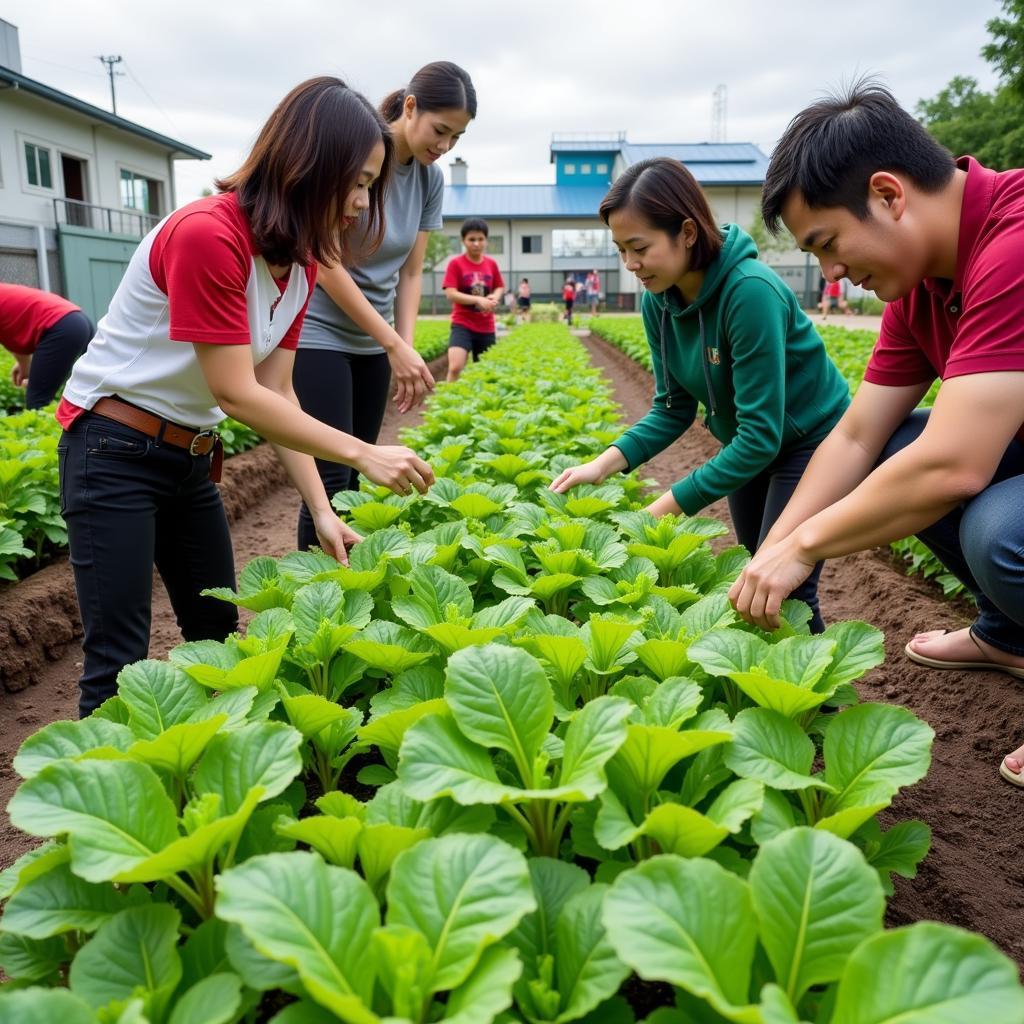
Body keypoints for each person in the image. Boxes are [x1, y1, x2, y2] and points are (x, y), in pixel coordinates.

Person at [56, 77, 434, 718]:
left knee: (218, 641)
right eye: (360, 181)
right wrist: (365, 454)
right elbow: (235, 393)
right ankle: (95, 811)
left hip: (188, 459)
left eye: (373, 184)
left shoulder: (302, 263)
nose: (365, 202)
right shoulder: (209, 235)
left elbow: (277, 392)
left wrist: (320, 509)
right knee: (118, 661)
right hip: (111, 449)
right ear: (311, 167)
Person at [724, 83, 1024, 786]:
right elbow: (857, 437)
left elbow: (951, 466)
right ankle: (1010, 634)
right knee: (892, 454)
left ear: (889, 195)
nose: (832, 275)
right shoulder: (922, 282)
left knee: (1001, 533)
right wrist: (770, 555)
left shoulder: (1013, 245)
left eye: (827, 244)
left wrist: (804, 544)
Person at [550, 157, 850, 632]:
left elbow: (761, 437)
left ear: (687, 232)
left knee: (785, 582)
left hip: (811, 442)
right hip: (751, 444)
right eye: (620, 249)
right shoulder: (660, 302)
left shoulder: (750, 293)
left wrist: (660, 509)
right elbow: (671, 408)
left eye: (639, 247)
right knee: (755, 568)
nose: (630, 264)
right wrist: (602, 464)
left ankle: (816, 703)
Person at [293, 61, 476, 550]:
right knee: (330, 480)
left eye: (456, 138)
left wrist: (406, 349)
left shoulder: (429, 180)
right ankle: (314, 599)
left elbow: (411, 272)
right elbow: (325, 262)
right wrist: (391, 341)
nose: (444, 146)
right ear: (410, 107)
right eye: (440, 131)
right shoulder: (362, 159)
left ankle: (344, 597)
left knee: (354, 480)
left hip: (373, 343)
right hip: (317, 334)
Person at [0, 283, 93, 408]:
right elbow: (16, 327)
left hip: (61, 328)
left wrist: (27, 368)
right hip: (77, 320)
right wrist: (24, 366)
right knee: (90, 393)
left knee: (38, 402)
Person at [443, 217, 504, 381]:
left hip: (486, 326)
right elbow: (451, 293)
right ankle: (446, 402)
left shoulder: (491, 264)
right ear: (463, 240)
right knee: (455, 367)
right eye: (471, 239)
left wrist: (494, 297)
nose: (476, 243)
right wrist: (477, 300)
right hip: (462, 323)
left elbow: (499, 286)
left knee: (485, 371)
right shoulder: (455, 264)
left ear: (486, 241)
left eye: (480, 239)